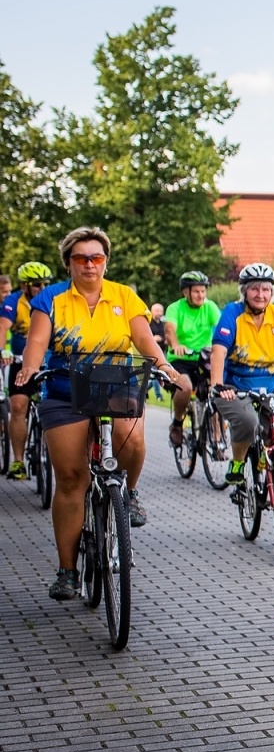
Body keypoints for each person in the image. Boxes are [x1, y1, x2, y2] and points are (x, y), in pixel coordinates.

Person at [15, 228, 186, 598]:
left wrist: (164, 366)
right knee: (71, 479)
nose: (89, 264)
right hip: (65, 388)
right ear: (69, 263)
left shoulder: (123, 295)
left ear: (105, 261)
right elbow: (38, 340)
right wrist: (29, 367)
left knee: (133, 440)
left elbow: (144, 338)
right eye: (80, 258)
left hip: (115, 384)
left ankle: (130, 493)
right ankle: (67, 571)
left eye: (96, 257)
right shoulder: (51, 298)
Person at [210, 263, 274, 485]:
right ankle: (238, 461)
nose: (261, 294)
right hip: (236, 384)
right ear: (244, 291)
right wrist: (217, 385)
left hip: (272, 383)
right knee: (247, 422)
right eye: (255, 289)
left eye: (266, 289)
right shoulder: (232, 312)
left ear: (272, 292)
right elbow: (219, 351)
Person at [0, 262, 51, 479]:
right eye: (37, 284)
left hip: (48, 361)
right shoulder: (13, 301)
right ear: (24, 286)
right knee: (19, 406)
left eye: (44, 284)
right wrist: (2, 350)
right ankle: (19, 462)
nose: (42, 288)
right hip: (21, 361)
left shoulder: (53, 299)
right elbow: (3, 326)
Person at [164, 272, 221, 447]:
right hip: (181, 358)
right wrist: (175, 344)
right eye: (196, 291)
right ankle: (177, 423)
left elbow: (221, 328)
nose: (201, 295)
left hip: (204, 358)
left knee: (216, 390)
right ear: (185, 292)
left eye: (203, 291)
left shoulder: (210, 307)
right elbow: (169, 330)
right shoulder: (175, 308)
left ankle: (217, 439)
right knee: (185, 387)